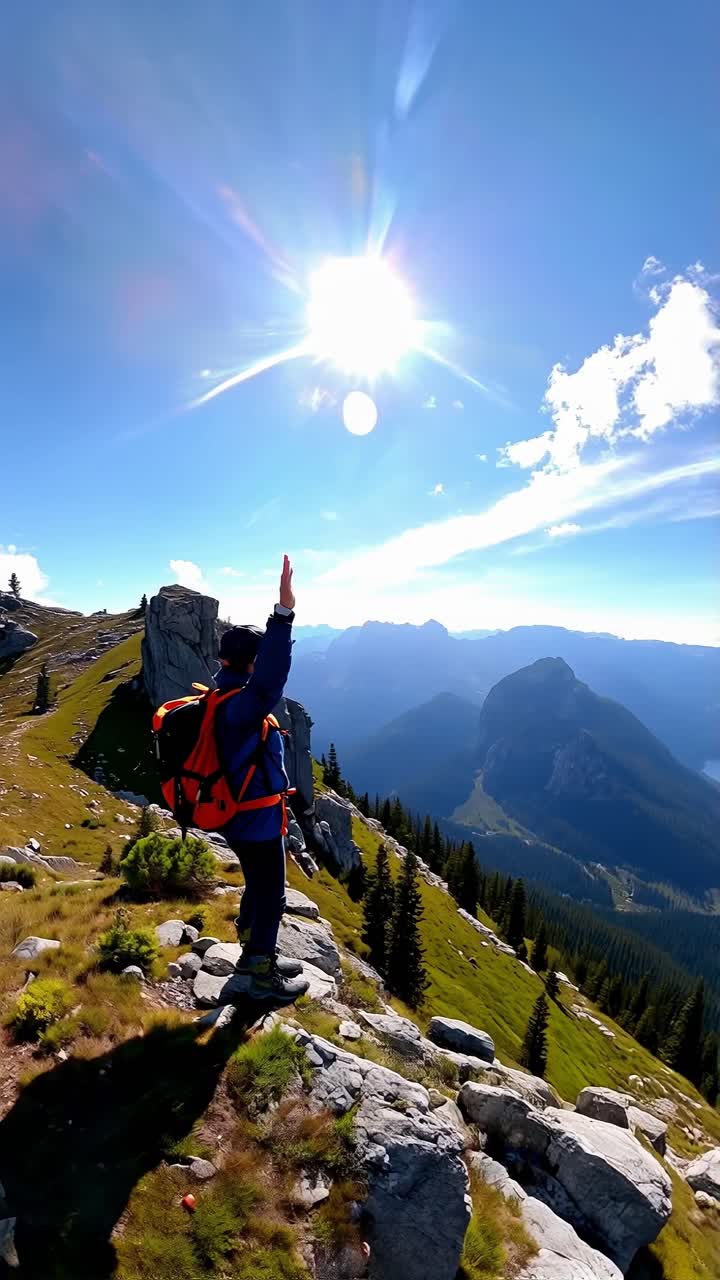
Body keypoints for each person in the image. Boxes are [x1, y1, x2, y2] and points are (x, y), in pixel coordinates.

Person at [215, 555, 309, 1004]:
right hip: (253, 821)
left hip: (241, 815)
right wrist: (283, 614)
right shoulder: (243, 704)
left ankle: (253, 951)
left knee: (258, 885)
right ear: (249, 663)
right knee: (272, 893)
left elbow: (263, 677)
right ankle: (260, 974)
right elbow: (271, 678)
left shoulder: (222, 695)